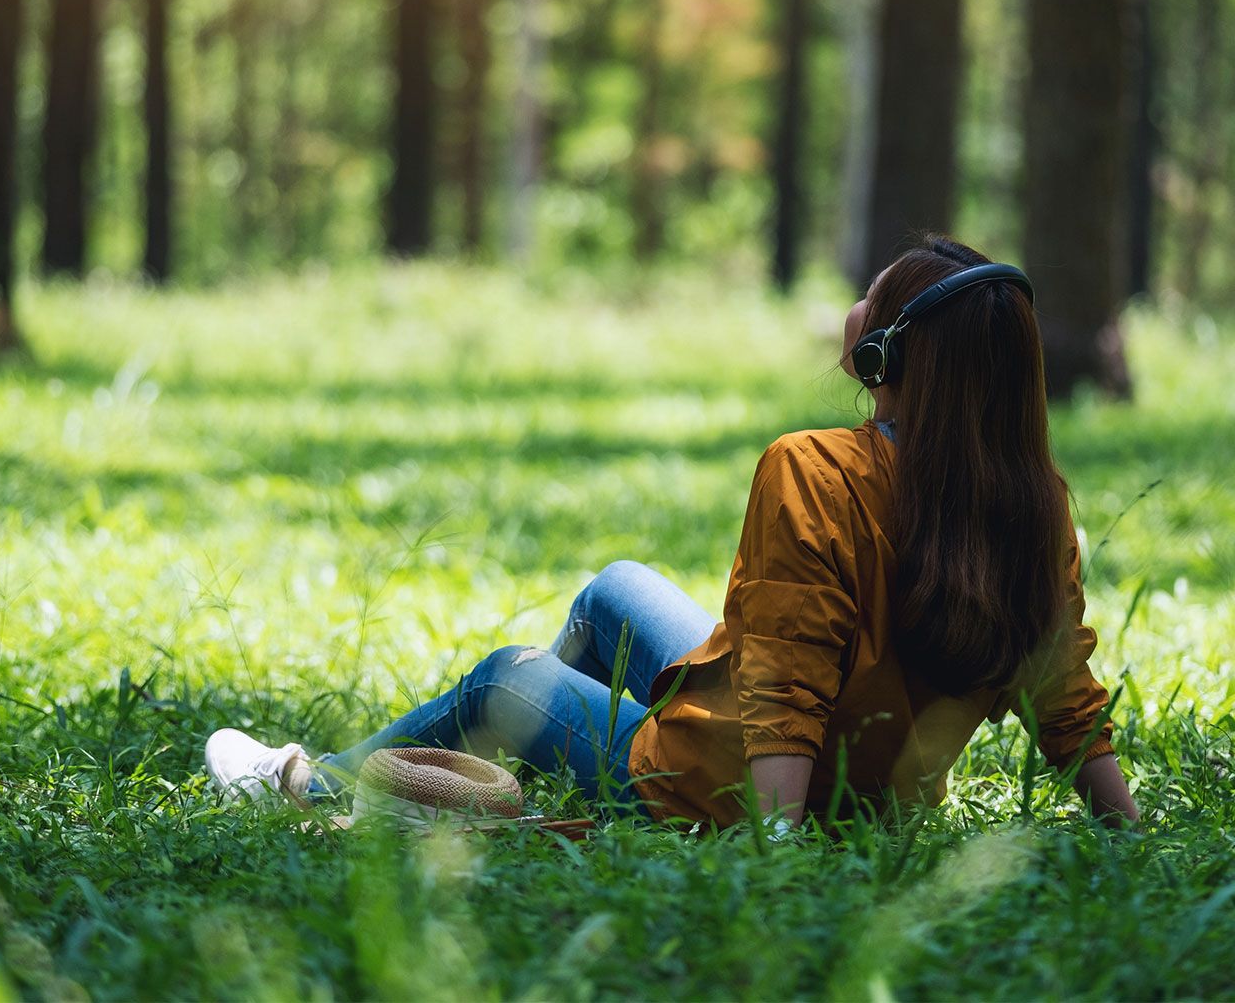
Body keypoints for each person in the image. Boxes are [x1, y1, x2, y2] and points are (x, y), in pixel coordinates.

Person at [206, 236, 1140, 830]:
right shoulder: (1036, 505)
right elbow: (1063, 695)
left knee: (502, 675)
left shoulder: (814, 469)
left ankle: (315, 784)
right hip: (874, 797)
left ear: (880, 356)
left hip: (722, 786)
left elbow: (787, 687)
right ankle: (540, 755)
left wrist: (774, 853)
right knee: (615, 586)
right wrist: (1129, 834)